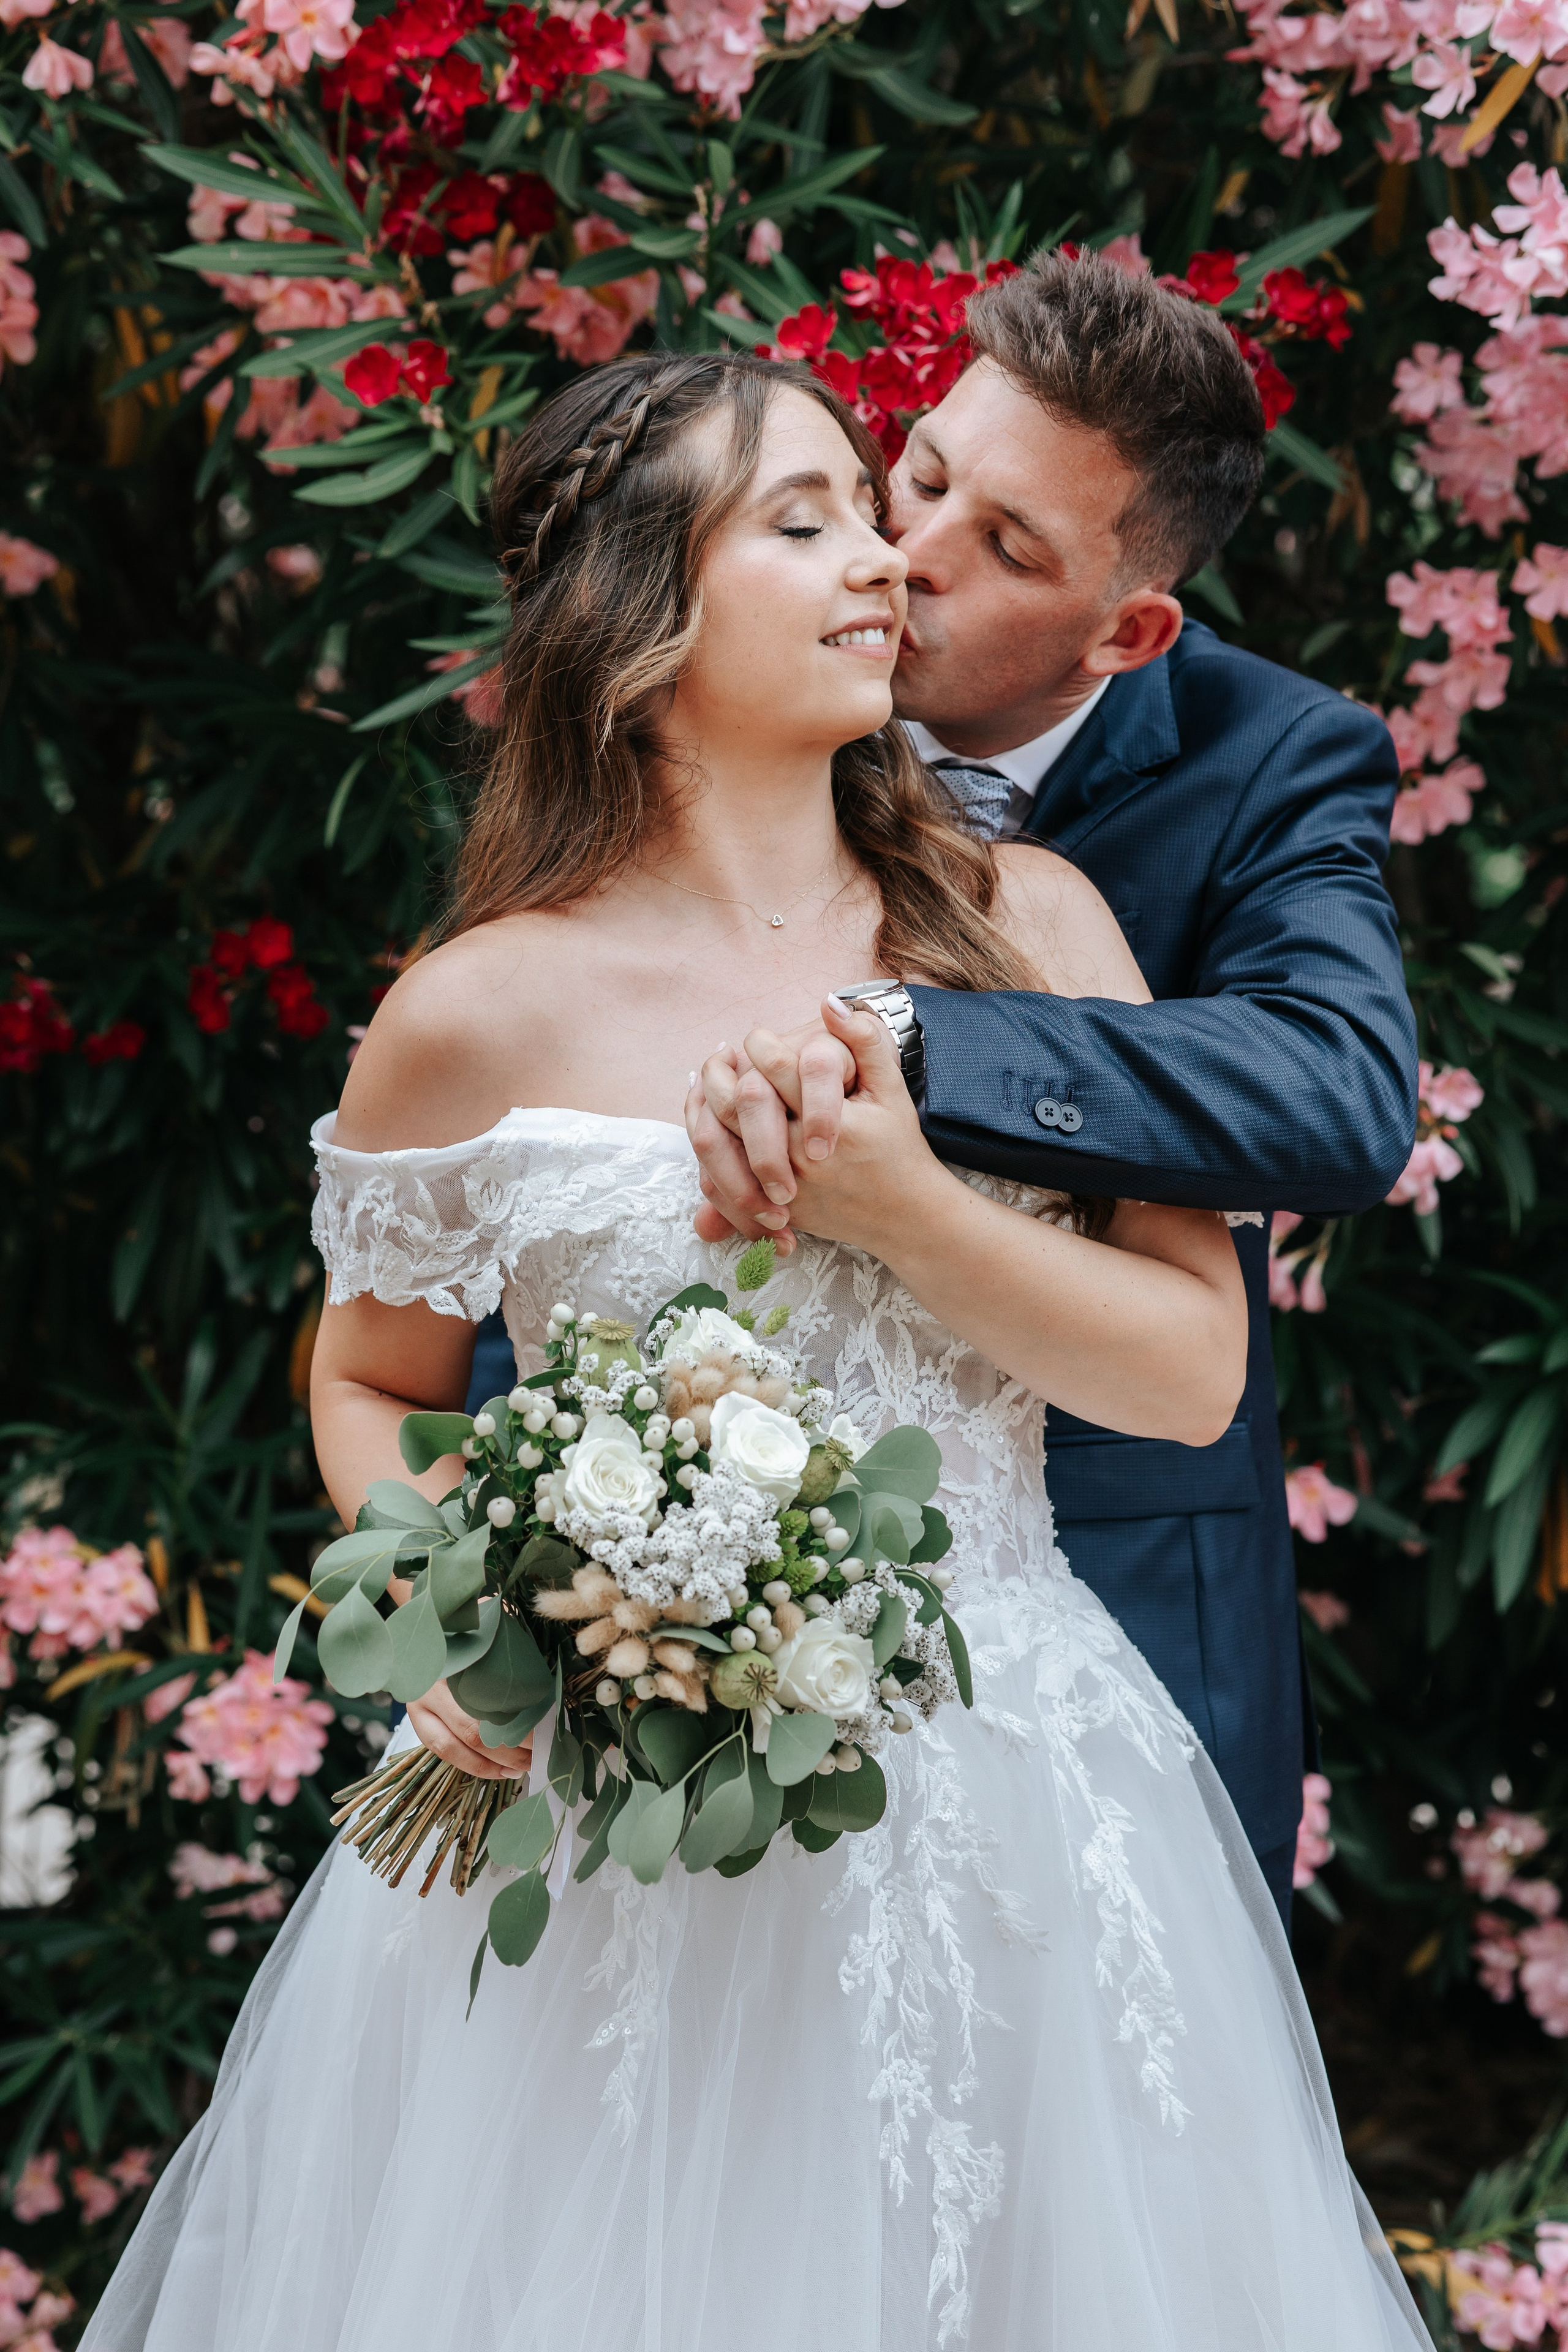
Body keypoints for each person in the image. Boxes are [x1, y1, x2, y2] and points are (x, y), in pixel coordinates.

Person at [82, 347, 1431, 2352]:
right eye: (811, 522)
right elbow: (368, 1380)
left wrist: (904, 1210)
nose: (887, 559)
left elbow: (1187, 1376)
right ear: (639, 620)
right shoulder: (475, 1011)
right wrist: (464, 1602)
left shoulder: (1034, 927)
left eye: (870, 512)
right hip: (607, 1826)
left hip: (1016, 1809)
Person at [684, 251, 1419, 1930]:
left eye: (1007, 548)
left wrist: (922, 1038)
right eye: (923, 473)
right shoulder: (738, 673)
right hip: (702, 1583)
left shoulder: (1268, 757)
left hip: (1108, 1580)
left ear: (1129, 631)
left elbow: (1339, 1089)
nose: (909, 553)